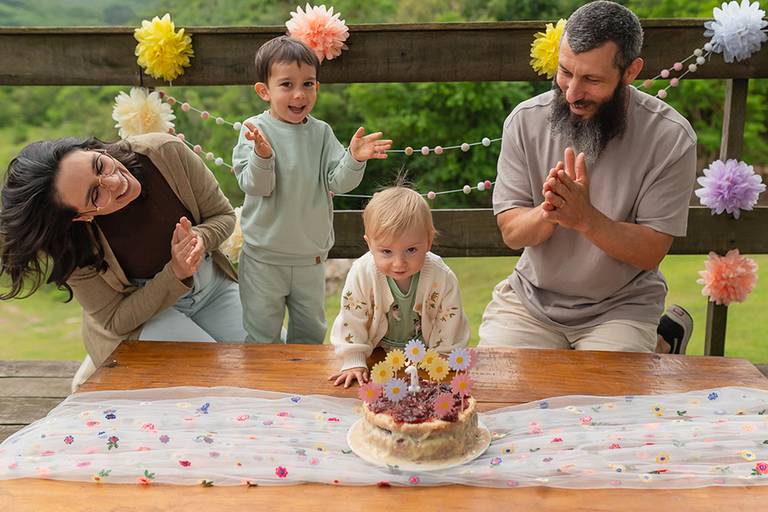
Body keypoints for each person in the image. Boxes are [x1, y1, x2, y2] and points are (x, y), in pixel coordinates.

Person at [478, 1, 697, 353]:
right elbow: (512, 233)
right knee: (500, 393)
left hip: (621, 306)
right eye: (565, 72)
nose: (571, 93)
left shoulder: (671, 137)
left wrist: (585, 219)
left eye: (591, 79)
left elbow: (650, 252)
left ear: (631, 71)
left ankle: (657, 340)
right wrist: (550, 210)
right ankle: (663, 341)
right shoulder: (524, 121)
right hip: (531, 302)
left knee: (607, 403)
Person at [0, 132, 248, 387]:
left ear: (95, 149)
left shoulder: (165, 152)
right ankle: (104, 367)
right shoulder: (70, 245)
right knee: (217, 377)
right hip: (146, 314)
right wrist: (175, 272)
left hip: (212, 288)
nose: (115, 182)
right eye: (96, 195)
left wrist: (198, 239)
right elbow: (116, 319)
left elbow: (222, 215)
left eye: (100, 165)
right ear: (80, 217)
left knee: (270, 357)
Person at [232, 35, 392, 344]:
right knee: (262, 334)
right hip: (264, 259)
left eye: (308, 84)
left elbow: (338, 182)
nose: (299, 94)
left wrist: (354, 158)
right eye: (287, 84)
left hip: (310, 258)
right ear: (264, 91)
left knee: (310, 333)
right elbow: (255, 185)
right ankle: (264, 391)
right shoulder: (253, 130)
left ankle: (301, 392)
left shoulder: (321, 133)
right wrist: (262, 155)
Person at [329, 186, 470, 388]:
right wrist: (354, 360)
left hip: (427, 358)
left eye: (411, 250)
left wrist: (442, 360)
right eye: (386, 251)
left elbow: (449, 318)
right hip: (377, 357)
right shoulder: (362, 273)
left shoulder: (441, 276)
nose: (399, 263)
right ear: (369, 245)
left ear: (429, 241)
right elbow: (352, 318)